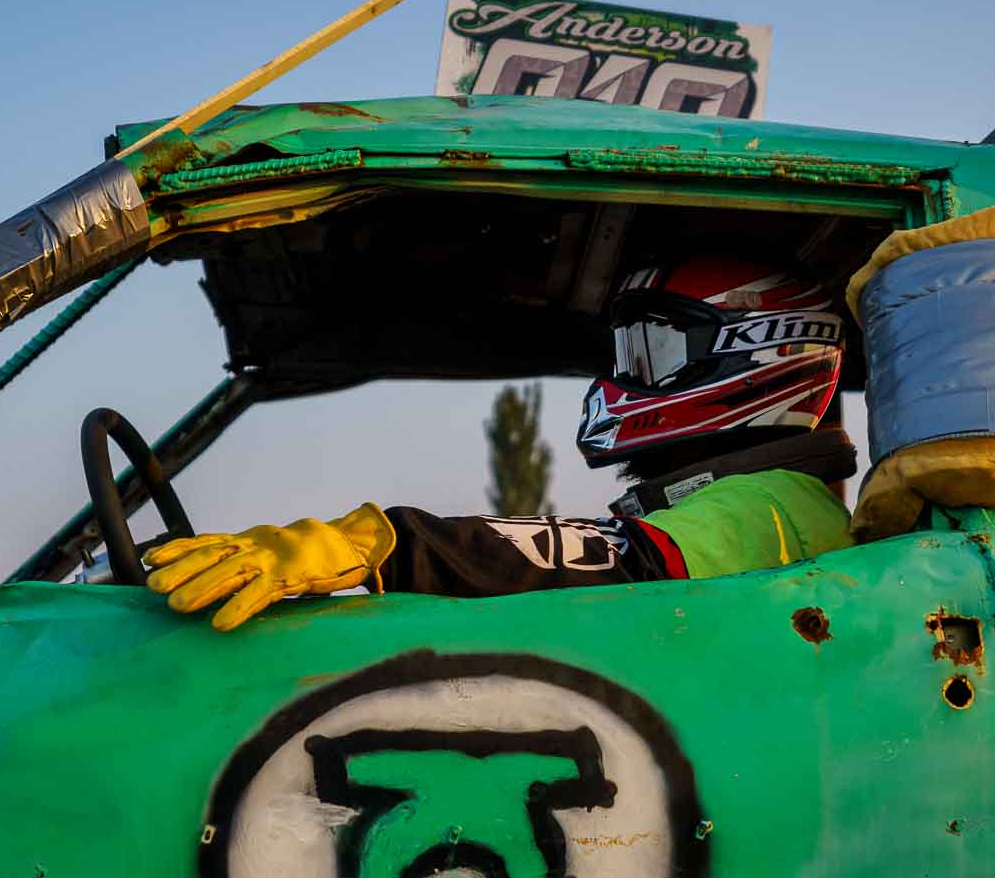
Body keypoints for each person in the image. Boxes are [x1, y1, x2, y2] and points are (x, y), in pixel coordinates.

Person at [144, 257, 859, 631]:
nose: (627, 376)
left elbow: (612, 561)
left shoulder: (774, 506)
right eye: (626, 351)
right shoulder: (759, 502)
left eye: (653, 350)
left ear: (766, 352)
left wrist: (382, 541)